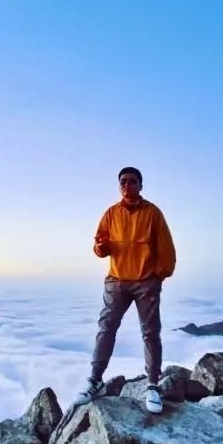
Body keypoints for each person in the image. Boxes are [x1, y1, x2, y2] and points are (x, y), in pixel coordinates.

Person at [73, 166, 176, 413]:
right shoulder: (111, 214)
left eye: (132, 181)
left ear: (141, 185)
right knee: (106, 329)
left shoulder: (153, 213)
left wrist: (158, 277)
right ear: (119, 186)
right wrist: (101, 248)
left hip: (145, 283)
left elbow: (166, 249)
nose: (127, 185)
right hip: (117, 281)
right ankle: (95, 381)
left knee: (150, 332)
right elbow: (100, 247)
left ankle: (152, 385)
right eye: (123, 182)